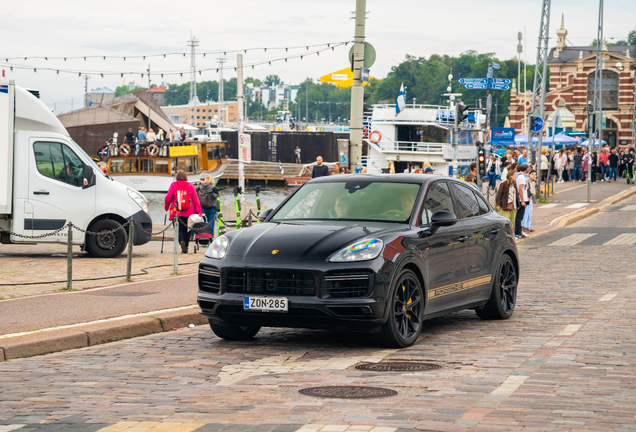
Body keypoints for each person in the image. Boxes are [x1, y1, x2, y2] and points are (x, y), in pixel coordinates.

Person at [165, 170, 203, 254]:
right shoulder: (191, 186)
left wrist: (166, 207)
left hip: (176, 212)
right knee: (187, 229)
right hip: (189, 212)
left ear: (177, 176)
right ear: (186, 177)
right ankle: (186, 246)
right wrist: (199, 211)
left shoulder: (173, 185)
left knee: (178, 229)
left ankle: (181, 241)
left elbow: (168, 197)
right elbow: (196, 200)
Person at [514, 163, 530, 238]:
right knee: (519, 216)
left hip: (521, 199)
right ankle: (518, 232)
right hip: (521, 199)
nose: (529, 168)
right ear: (525, 168)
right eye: (528, 167)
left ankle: (519, 231)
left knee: (520, 216)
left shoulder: (519, 176)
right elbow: (520, 189)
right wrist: (523, 201)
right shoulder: (521, 177)